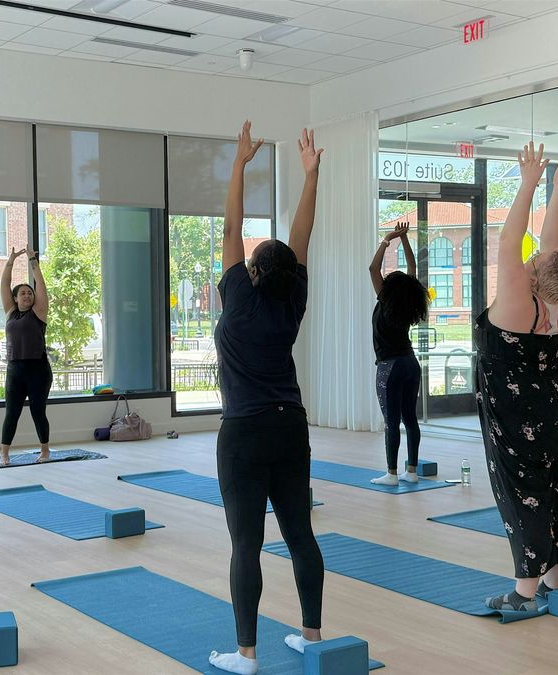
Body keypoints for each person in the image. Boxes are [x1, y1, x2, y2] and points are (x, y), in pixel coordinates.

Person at [208, 123, 324, 675]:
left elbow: (231, 224)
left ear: (252, 272)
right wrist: (310, 175)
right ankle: (311, 635)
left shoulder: (237, 301)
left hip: (244, 433)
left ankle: (247, 655)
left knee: (245, 544)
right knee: (300, 535)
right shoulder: (290, 302)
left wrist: (239, 164)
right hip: (290, 427)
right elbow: (302, 236)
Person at [474, 144, 558, 611]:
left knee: (524, 495)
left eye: (535, 259)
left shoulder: (520, 299)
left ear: (535, 272)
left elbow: (507, 242)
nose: (533, 256)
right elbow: (552, 244)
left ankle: (523, 594)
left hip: (520, 415)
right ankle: (555, 582)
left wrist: (528, 185)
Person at [368, 220, 429, 485]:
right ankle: (412, 471)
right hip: (410, 363)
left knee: (391, 421)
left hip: (389, 367)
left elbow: (373, 267)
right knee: (410, 418)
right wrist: (404, 239)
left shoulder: (384, 300)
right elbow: (412, 270)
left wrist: (387, 239)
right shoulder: (409, 304)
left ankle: (392, 473)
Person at [0, 246, 52, 466]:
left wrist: (33, 260)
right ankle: (4, 454)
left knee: (38, 412)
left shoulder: (39, 312)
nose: (27, 295)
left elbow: (42, 285)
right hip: (15, 370)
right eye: (23, 293)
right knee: (11, 413)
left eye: (30, 292)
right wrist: (10, 261)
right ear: (16, 298)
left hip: (38, 370)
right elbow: (3, 284)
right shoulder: (11, 312)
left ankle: (45, 450)